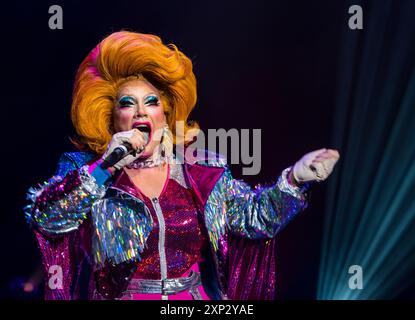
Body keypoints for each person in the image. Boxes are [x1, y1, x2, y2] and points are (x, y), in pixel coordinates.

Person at [25, 31, 340, 300]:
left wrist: (296, 179)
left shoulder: (200, 170)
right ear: (111, 116)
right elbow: (48, 218)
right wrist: (106, 166)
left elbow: (254, 217)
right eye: (127, 103)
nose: (140, 112)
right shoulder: (87, 170)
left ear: (165, 113)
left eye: (151, 102)